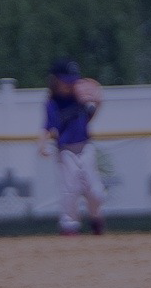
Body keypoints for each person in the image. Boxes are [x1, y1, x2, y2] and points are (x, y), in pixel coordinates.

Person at [39, 59, 106, 235]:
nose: (69, 84)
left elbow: (89, 118)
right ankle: (69, 226)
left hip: (85, 146)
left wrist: (98, 102)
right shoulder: (52, 104)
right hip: (66, 150)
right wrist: (42, 143)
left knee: (95, 190)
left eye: (72, 80)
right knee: (70, 189)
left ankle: (96, 219)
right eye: (65, 80)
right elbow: (47, 127)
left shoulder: (80, 98)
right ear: (55, 80)